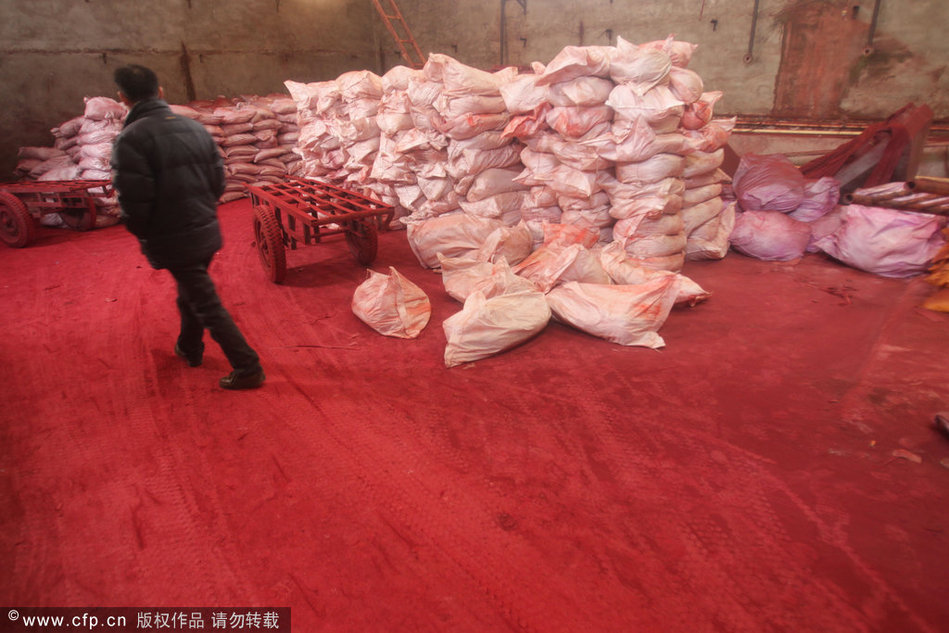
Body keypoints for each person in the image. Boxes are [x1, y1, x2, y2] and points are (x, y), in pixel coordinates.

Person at [110, 64, 265, 390]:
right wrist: (201, 212)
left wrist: (144, 232)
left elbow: (133, 200)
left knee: (205, 301)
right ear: (160, 92)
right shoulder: (194, 128)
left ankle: (247, 366)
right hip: (204, 227)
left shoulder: (130, 139)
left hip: (171, 236)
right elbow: (218, 181)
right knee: (192, 291)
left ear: (122, 97)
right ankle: (189, 346)